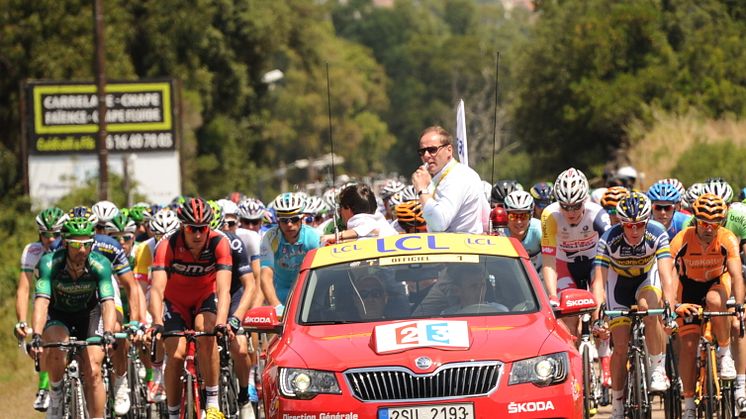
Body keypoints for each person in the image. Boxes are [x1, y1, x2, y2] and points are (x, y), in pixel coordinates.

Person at [591, 193, 674, 418]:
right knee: (619, 345)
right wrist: (599, 316)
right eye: (629, 226)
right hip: (618, 283)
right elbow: (599, 281)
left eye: (639, 225)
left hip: (646, 278)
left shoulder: (657, 233)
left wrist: (670, 310)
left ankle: (657, 368)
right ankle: (617, 405)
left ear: (646, 222)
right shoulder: (608, 240)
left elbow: (667, 276)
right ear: (621, 223)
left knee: (649, 308)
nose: (634, 231)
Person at [149, 197, 232, 419]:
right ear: (182, 227)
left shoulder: (219, 243)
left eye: (202, 229)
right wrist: (157, 322)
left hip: (204, 298)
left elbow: (224, 290)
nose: (197, 235)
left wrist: (222, 323)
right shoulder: (167, 245)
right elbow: (156, 290)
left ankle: (213, 403)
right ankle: (174, 413)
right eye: (191, 229)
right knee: (175, 354)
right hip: (175, 302)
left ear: (208, 228)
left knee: (207, 333)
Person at [31, 217, 117, 419]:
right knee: (56, 347)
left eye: (87, 244)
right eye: (76, 244)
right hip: (59, 313)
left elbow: (107, 302)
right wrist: (36, 334)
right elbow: (42, 301)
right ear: (65, 242)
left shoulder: (100, 264)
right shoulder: (50, 263)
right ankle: (56, 393)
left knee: (94, 371)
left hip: (89, 315)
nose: (82, 250)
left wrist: (109, 333)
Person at [669, 193, 745, 418]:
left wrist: (739, 306)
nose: (709, 228)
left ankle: (723, 352)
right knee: (689, 344)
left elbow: (737, 276)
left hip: (717, 283)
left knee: (714, 301)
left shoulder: (727, 238)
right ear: (695, 219)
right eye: (703, 223)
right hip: (689, 287)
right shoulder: (682, 239)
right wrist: (673, 305)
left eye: (715, 223)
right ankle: (689, 403)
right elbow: (670, 273)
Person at [541, 167, 610, 337]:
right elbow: (549, 260)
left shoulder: (597, 214)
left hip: (594, 262)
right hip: (565, 264)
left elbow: (610, 251)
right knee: (569, 321)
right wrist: (552, 295)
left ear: (585, 200)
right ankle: (575, 360)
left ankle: (604, 357)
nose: (570, 212)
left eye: (576, 206)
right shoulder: (550, 215)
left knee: (599, 310)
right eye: (565, 206)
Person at [15, 207, 68, 412]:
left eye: (56, 233)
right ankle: (45, 388)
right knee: (42, 339)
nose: (50, 238)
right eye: (46, 234)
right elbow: (24, 287)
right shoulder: (32, 251)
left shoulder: (70, 250)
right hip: (46, 302)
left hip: (70, 299)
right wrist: (21, 320)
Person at [410, 126, 489, 233]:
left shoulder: (458, 177)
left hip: (460, 247)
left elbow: (439, 223)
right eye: (422, 152)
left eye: (432, 150)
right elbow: (486, 218)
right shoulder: (450, 175)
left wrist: (422, 190)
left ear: (449, 150)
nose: (426, 155)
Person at [259, 193, 320, 313]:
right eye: (284, 220)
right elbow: (265, 276)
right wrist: (276, 307)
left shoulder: (313, 237)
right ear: (278, 220)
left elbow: (320, 274)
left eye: (294, 219)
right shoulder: (270, 237)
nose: (289, 224)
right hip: (279, 294)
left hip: (307, 292)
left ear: (302, 218)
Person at [320, 183, 397, 243]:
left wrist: (336, 236)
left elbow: (370, 228)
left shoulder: (360, 221)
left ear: (348, 209)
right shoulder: (381, 220)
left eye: (341, 207)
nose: (340, 212)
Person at [440, 264, 508, 315]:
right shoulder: (448, 316)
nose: (480, 290)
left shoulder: (501, 311)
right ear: (457, 290)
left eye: (482, 285)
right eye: (473, 286)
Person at [500, 191, 542, 271]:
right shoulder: (500, 233)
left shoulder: (539, 230)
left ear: (530, 216)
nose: (519, 222)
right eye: (513, 216)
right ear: (506, 216)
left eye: (523, 216)